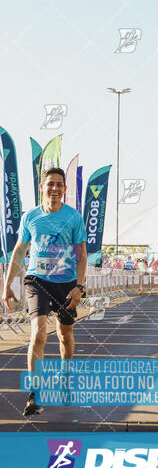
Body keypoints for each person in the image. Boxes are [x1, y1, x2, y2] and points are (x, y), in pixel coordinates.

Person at [2, 167, 87, 416]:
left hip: (66, 283)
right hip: (37, 280)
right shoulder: (30, 217)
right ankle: (34, 395)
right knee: (38, 334)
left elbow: (81, 255)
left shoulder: (74, 218)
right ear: (42, 187)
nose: (55, 188)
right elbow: (19, 250)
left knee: (65, 336)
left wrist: (79, 286)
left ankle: (65, 374)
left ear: (64, 189)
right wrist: (7, 285)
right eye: (50, 184)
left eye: (60, 184)